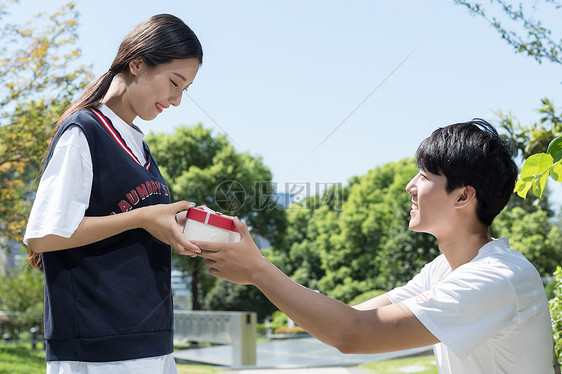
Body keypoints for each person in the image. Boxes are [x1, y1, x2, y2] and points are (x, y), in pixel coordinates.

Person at [197, 119, 558, 373]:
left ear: (463, 196)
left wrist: (259, 271)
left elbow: (353, 334)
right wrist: (252, 263)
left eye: (425, 176)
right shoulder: (442, 271)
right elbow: (349, 317)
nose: (410, 187)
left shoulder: (495, 278)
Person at [24, 14, 202, 374]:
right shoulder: (83, 132)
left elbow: (137, 223)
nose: (177, 99)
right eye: (174, 82)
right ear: (137, 63)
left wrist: (180, 222)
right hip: (97, 349)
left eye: (184, 89)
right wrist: (141, 217)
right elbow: (42, 236)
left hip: (153, 342)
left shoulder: (139, 145)